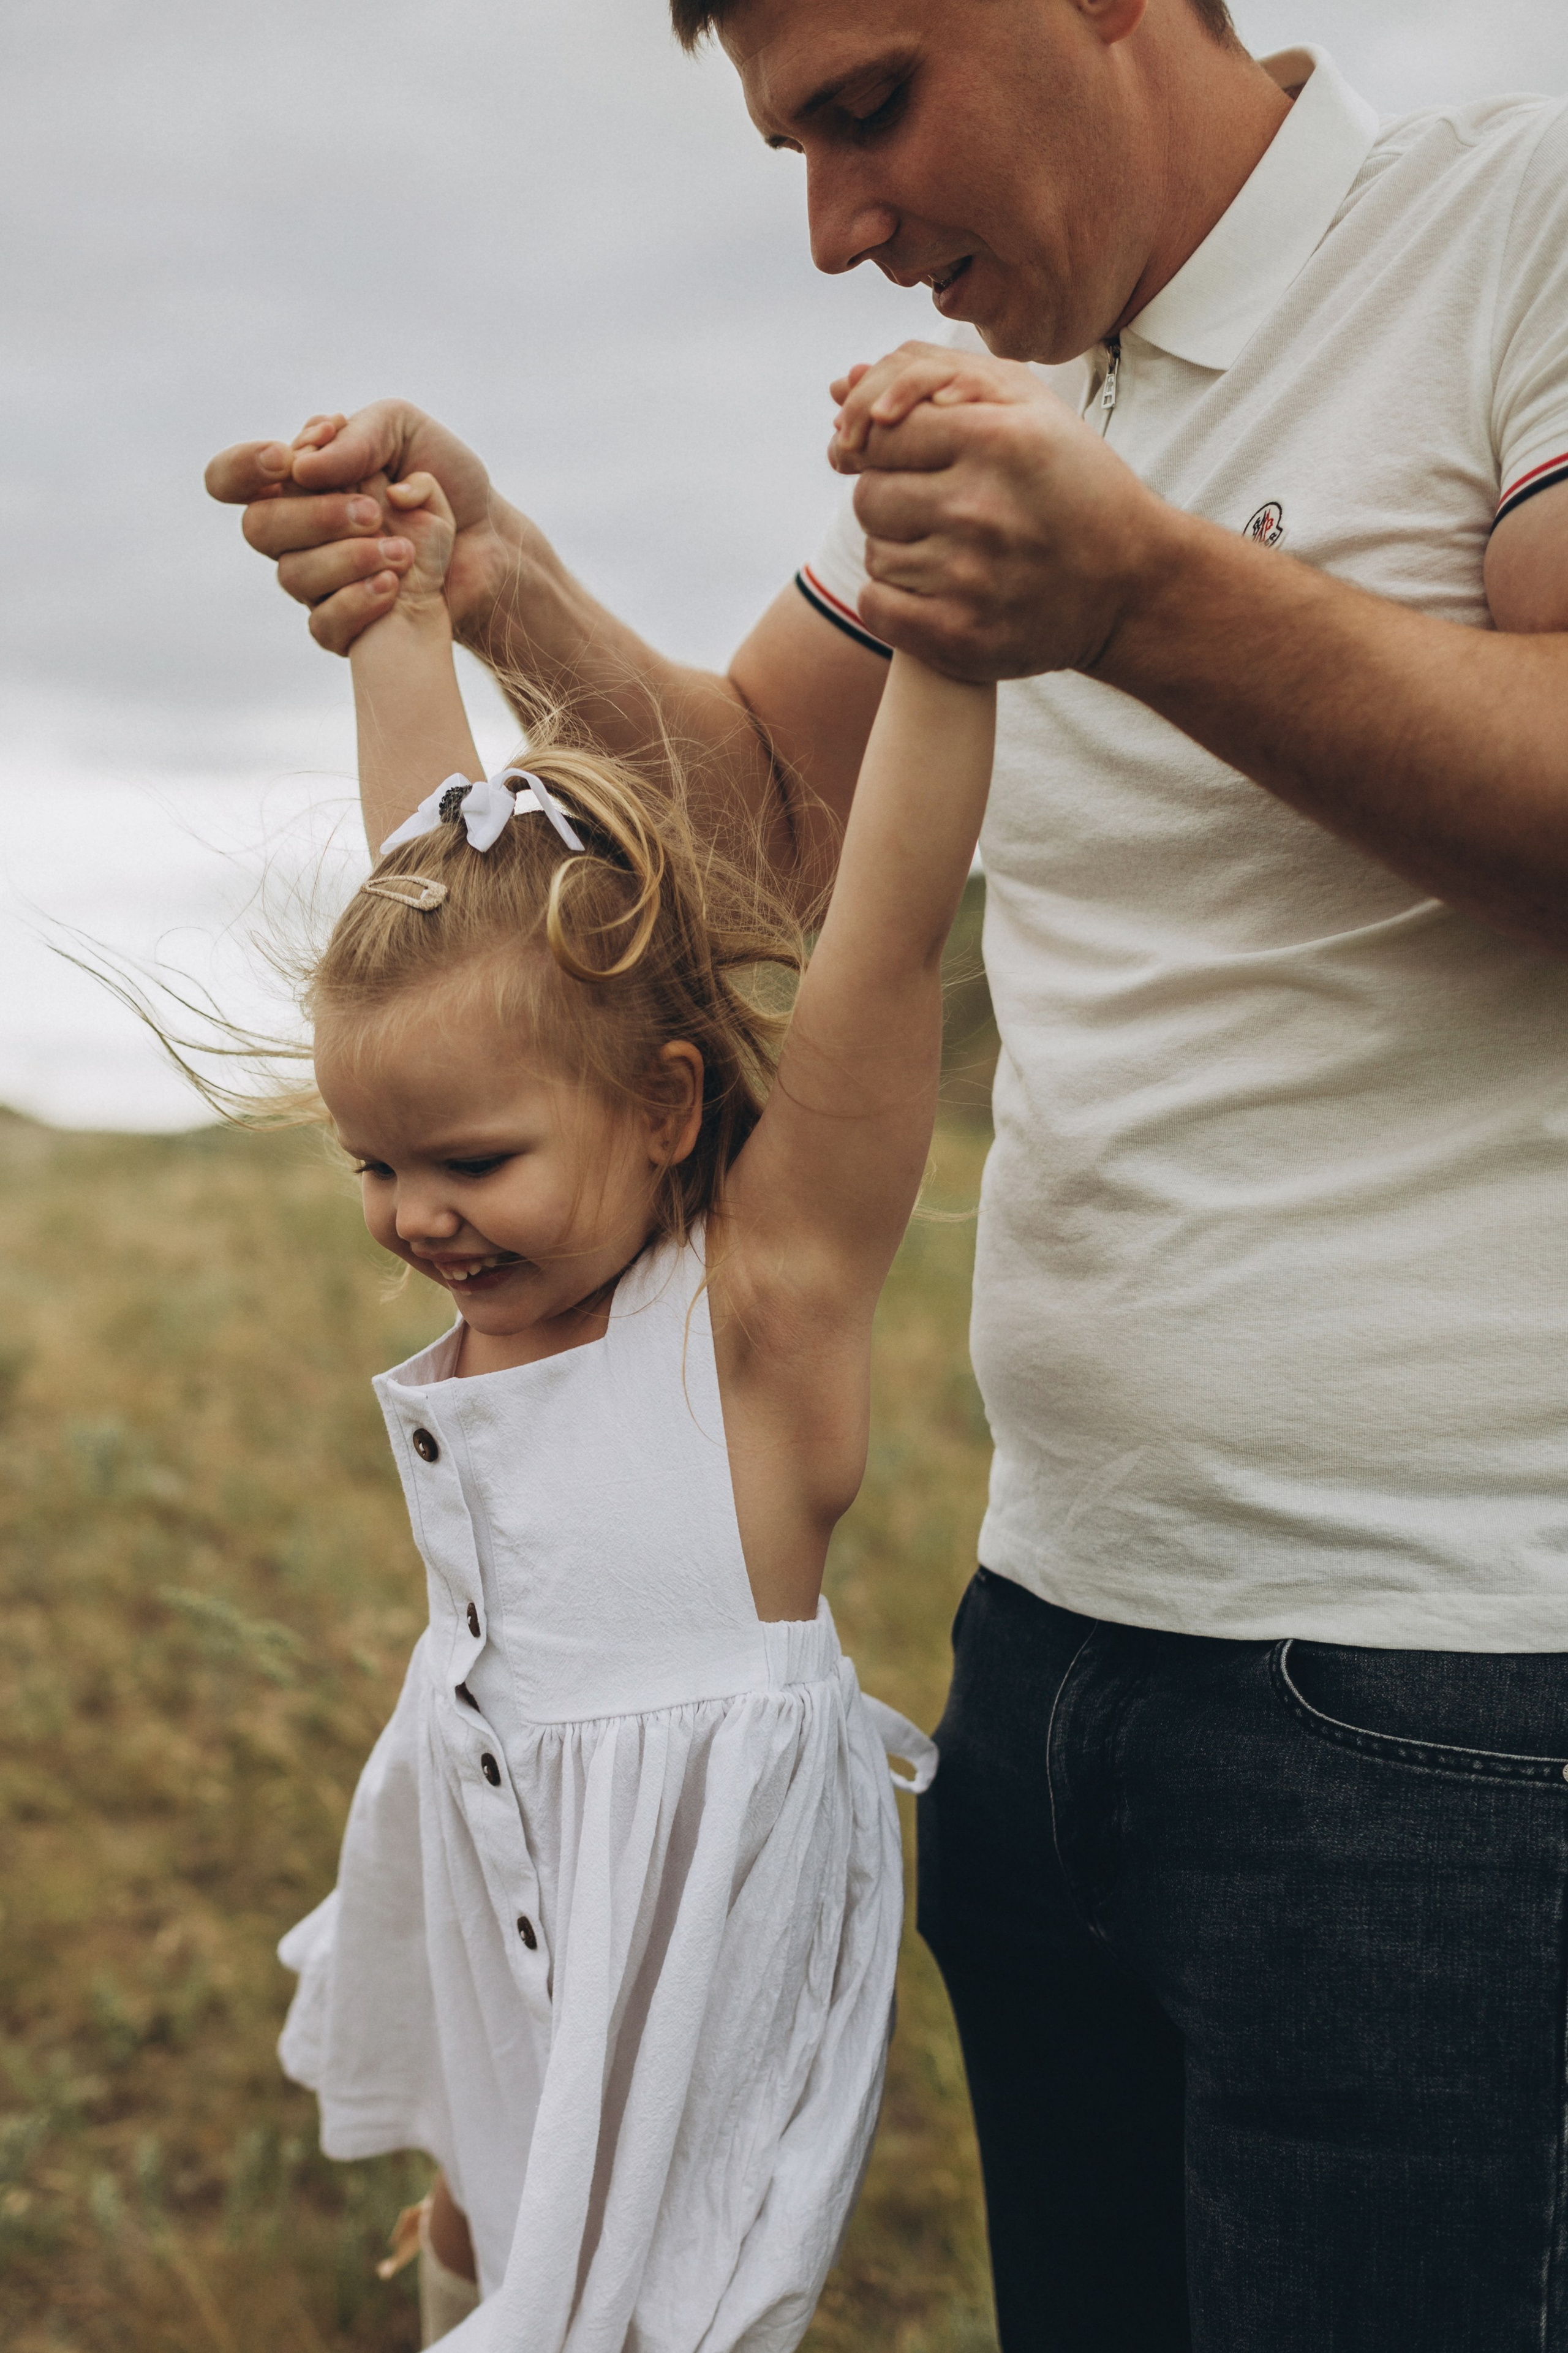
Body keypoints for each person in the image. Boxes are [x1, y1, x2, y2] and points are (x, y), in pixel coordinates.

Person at [205, 2, 1568, 2346]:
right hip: (1048, 1654)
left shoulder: (1508, 234)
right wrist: (491, 576)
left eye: (869, 107)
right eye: (791, 148)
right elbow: (757, 822)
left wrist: (1137, 594)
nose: (837, 228)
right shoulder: (1022, 412)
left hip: (1442, 1697)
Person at [266, 431, 994, 2352]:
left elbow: (887, 945)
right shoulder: (515, 1175)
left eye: (469, 1168)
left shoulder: (759, 1309)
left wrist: (949, 647)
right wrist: (404, 612)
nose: (416, 1216)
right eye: (378, 1165)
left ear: (664, 1105)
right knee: (505, 2208)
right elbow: (443, 883)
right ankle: (472, 2235)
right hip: (507, 1851)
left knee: (653, 2304)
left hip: (682, 1930)